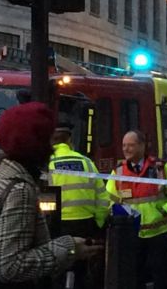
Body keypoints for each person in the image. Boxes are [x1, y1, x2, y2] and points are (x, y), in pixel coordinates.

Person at [0, 102, 102, 288]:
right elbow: (9, 266)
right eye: (48, 140)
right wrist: (70, 248)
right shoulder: (21, 190)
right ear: (36, 145)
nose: (52, 148)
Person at [105, 130, 167, 289]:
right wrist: (117, 218)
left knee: (161, 277)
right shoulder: (118, 171)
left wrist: (165, 211)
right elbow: (108, 199)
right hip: (131, 234)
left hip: (158, 232)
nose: (126, 149)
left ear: (142, 146)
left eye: (131, 145)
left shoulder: (159, 168)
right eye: (124, 145)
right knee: (134, 277)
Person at [48, 122, 110, 289]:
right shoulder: (86, 162)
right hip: (85, 225)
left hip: (59, 227)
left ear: (52, 142)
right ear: (69, 141)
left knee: (57, 271)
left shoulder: (49, 164)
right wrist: (98, 222)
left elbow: (45, 204)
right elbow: (104, 200)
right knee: (82, 273)